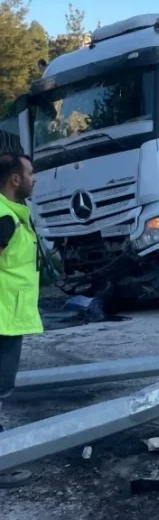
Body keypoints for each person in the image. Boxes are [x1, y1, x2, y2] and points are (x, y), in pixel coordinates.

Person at [0, 154, 41, 439]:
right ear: (16, 179)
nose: (33, 178)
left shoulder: (11, 214)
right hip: (3, 317)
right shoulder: (5, 218)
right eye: (30, 173)